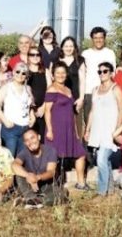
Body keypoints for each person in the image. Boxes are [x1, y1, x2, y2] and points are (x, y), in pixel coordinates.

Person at [45, 62, 89, 190]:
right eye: (57, 73)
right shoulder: (51, 89)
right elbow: (47, 111)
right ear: (53, 75)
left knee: (80, 153)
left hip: (69, 128)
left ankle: (81, 183)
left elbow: (71, 112)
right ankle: (54, 187)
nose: (61, 75)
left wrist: (75, 131)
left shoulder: (68, 90)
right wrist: (50, 130)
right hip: (56, 128)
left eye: (63, 72)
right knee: (55, 157)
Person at [85, 61, 122, 195]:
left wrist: (118, 130)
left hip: (110, 131)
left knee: (101, 159)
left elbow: (121, 110)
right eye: (99, 71)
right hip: (97, 130)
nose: (102, 74)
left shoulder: (116, 89)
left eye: (105, 71)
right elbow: (92, 111)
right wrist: (88, 130)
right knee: (104, 160)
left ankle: (101, 192)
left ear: (111, 73)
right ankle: (110, 189)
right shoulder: (95, 90)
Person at [13, 128, 69, 208]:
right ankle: (30, 198)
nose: (30, 142)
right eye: (27, 140)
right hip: (30, 186)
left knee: (62, 193)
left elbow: (51, 172)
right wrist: (28, 175)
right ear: (25, 143)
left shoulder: (50, 151)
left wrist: (37, 177)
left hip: (47, 185)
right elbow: (14, 165)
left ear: (39, 137)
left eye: (32, 138)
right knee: (19, 173)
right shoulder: (24, 152)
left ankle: (32, 201)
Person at [0, 62, 35, 157]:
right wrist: (5, 121)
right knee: (9, 157)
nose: (20, 75)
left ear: (27, 75)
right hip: (11, 128)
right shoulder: (7, 87)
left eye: (24, 73)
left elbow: (30, 105)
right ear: (13, 72)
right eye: (18, 72)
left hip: (25, 127)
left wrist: (32, 116)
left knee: (22, 158)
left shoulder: (28, 88)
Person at [81, 27, 117, 126]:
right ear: (92, 39)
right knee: (89, 122)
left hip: (106, 92)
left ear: (104, 38)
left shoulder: (110, 53)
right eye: (95, 38)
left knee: (106, 123)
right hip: (89, 92)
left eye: (101, 37)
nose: (98, 40)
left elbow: (113, 73)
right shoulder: (85, 54)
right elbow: (82, 74)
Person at [27, 46, 51, 139]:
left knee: (42, 138)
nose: (35, 57)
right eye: (32, 55)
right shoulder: (24, 71)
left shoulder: (46, 71)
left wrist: (43, 107)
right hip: (28, 110)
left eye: (38, 54)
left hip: (44, 108)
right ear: (28, 56)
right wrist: (31, 110)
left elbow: (49, 91)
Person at [58, 36, 86, 112]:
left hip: (75, 98)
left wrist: (81, 98)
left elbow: (82, 81)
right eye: (66, 46)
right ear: (62, 47)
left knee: (75, 123)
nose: (68, 48)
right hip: (59, 98)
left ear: (74, 48)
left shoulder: (80, 60)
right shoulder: (57, 60)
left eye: (71, 46)